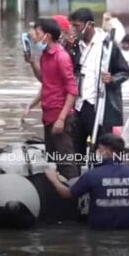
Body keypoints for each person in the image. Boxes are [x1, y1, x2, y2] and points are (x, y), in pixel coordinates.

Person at [44, 133, 129, 229]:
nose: (97, 153)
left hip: (98, 231)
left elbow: (67, 194)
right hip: (128, 229)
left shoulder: (92, 174)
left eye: (99, 150)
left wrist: (54, 179)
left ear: (108, 152)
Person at [69, 8, 129, 156]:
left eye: (76, 26)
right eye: (72, 25)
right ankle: (77, 177)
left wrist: (112, 79)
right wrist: (69, 48)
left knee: (102, 146)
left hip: (99, 106)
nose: (73, 29)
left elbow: (125, 71)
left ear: (89, 25)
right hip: (78, 105)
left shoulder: (107, 45)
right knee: (76, 147)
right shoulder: (75, 45)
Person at [22, 18, 80, 178]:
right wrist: (32, 62)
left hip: (59, 116)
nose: (34, 35)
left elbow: (72, 91)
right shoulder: (45, 55)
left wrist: (61, 119)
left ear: (47, 36)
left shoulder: (61, 57)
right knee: (53, 159)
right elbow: (45, 81)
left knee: (66, 161)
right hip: (48, 115)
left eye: (37, 32)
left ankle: (74, 194)